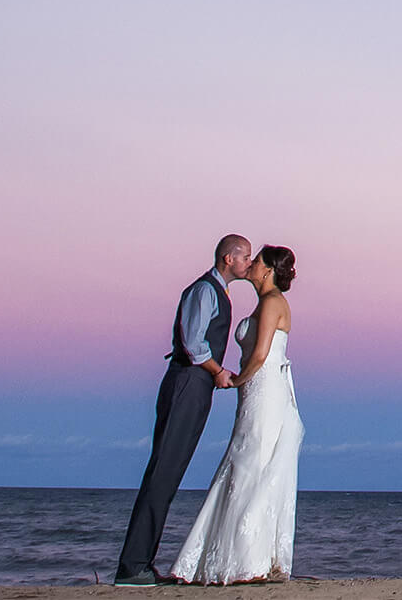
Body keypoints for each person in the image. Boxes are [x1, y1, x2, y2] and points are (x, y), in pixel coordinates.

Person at [116, 235, 251, 585]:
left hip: (196, 385)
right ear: (227, 259)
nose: (249, 263)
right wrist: (218, 371)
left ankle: (140, 563)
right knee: (163, 471)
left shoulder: (217, 292)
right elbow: (193, 344)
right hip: (187, 383)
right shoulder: (205, 291)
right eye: (245, 257)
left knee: (169, 473)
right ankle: (132, 567)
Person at [168, 244, 301, 584]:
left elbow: (260, 354)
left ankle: (249, 559)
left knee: (251, 460)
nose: (251, 265)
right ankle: (232, 555)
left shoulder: (273, 303)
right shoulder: (262, 304)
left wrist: (236, 379)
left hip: (264, 389)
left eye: (256, 261)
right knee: (242, 459)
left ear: (268, 270)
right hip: (252, 391)